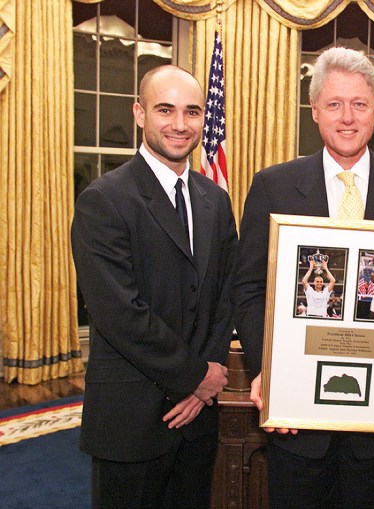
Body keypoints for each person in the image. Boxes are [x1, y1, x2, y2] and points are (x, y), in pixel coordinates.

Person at [233, 47, 374, 508]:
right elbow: (249, 288)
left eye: (359, 104)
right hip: (297, 415)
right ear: (314, 111)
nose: (347, 117)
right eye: (334, 104)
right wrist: (269, 367)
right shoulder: (273, 186)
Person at [71, 65, 238, 509]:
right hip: (132, 421)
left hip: (198, 418)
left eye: (192, 111)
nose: (180, 124)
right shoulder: (103, 201)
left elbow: (226, 294)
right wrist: (197, 378)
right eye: (165, 110)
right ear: (140, 114)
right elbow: (120, 314)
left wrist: (210, 372)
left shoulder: (215, 201)